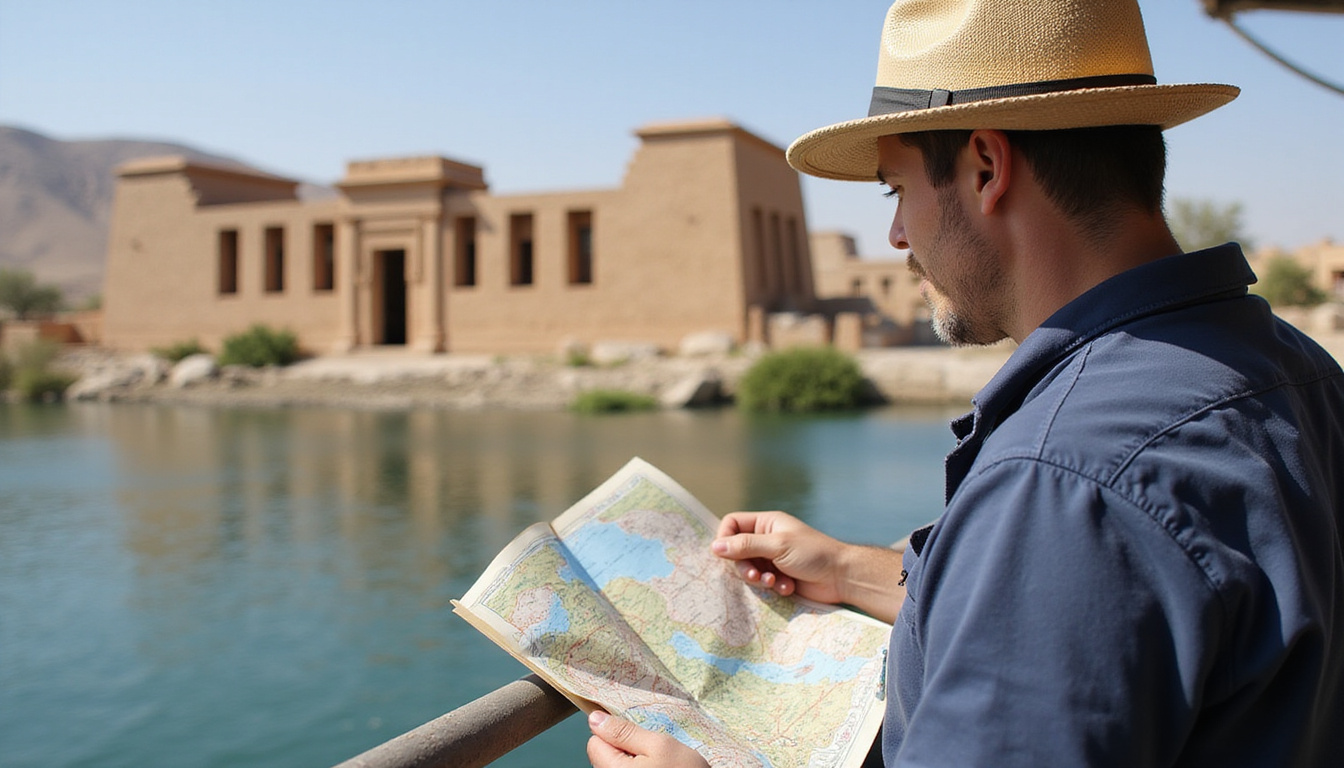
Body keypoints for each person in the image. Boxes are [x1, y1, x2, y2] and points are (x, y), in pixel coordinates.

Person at [587, 1, 1344, 765]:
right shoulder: (1296, 370)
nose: (896, 236)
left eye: (896, 190)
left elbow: (1080, 563)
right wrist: (850, 570)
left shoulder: (1063, 483)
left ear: (986, 168)